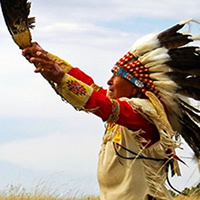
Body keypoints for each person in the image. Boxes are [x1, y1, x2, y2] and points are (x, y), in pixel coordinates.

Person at [22, 19, 200, 200]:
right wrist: (45, 57)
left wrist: (60, 77)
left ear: (136, 87)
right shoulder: (124, 110)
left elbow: (104, 106)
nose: (109, 81)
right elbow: (90, 87)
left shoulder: (143, 113)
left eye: (117, 76)